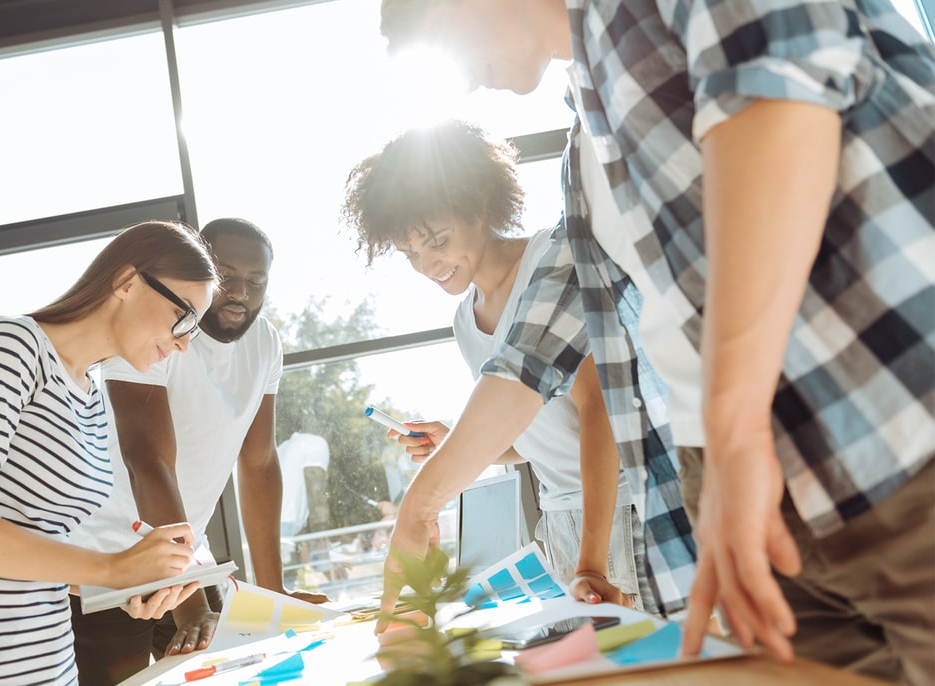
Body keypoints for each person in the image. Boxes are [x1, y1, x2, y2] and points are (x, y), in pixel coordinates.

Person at [376, 0, 934, 682]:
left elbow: (778, 99)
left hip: (895, 437)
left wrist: (732, 432)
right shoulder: (586, 150)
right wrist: (422, 503)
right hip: (760, 514)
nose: (460, 83)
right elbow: (529, 359)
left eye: (441, 40)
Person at [0, 220, 218, 685]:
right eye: (184, 317)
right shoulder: (11, 345)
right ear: (127, 282)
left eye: (193, 331)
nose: (182, 342)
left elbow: (37, 552)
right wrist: (113, 566)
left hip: (46, 663)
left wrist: (124, 584)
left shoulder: (90, 392)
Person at [342, 118, 661, 612]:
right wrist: (461, 444)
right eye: (410, 254)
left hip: (620, 513)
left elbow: (599, 414)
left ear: (481, 206)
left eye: (439, 240)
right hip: (558, 525)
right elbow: (534, 436)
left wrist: (592, 561)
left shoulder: (549, 268)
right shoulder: (464, 321)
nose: (428, 266)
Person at [68, 218, 329, 686]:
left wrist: (273, 593)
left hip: (184, 557)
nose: (240, 293)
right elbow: (147, 459)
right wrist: (190, 610)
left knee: (240, 666)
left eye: (256, 281)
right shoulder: (151, 335)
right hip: (105, 563)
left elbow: (260, 461)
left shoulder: (265, 342)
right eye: (226, 276)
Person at [278, 431, 332, 538]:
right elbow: (314, 479)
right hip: (286, 522)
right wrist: (319, 506)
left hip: (275, 520)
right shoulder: (316, 444)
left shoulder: (286, 446)